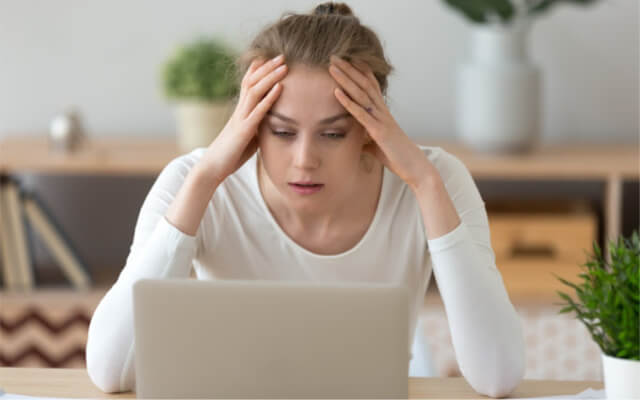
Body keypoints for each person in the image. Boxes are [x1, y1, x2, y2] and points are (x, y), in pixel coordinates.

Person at [86, 2, 525, 397]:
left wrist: (426, 185)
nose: (304, 160)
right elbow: (110, 372)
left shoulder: (435, 180)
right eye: (281, 131)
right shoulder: (192, 182)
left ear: (372, 126)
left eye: (333, 133)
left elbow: (498, 376)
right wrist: (205, 178)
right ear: (250, 124)